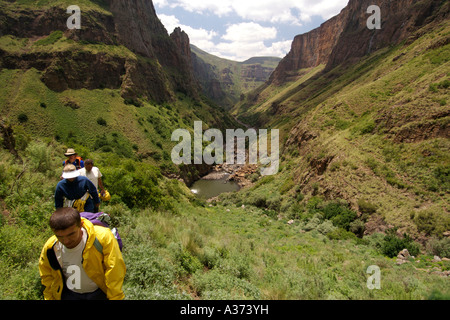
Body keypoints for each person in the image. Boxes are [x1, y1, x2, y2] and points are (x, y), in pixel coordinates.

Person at [39, 207, 126, 300]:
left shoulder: (102, 237)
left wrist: (115, 297)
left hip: (98, 293)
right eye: (60, 236)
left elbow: (114, 270)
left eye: (71, 234)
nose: (66, 241)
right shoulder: (51, 247)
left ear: (80, 225)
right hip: (69, 294)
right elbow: (47, 277)